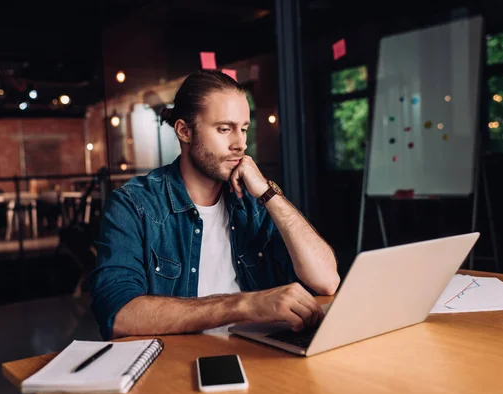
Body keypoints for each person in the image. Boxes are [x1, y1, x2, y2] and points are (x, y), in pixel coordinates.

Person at [89, 70, 340, 340]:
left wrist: (269, 194)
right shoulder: (133, 205)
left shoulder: (255, 203)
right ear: (185, 131)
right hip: (176, 367)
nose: (240, 144)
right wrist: (246, 305)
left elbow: (326, 280)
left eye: (243, 129)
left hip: (258, 358)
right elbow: (119, 315)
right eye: (224, 129)